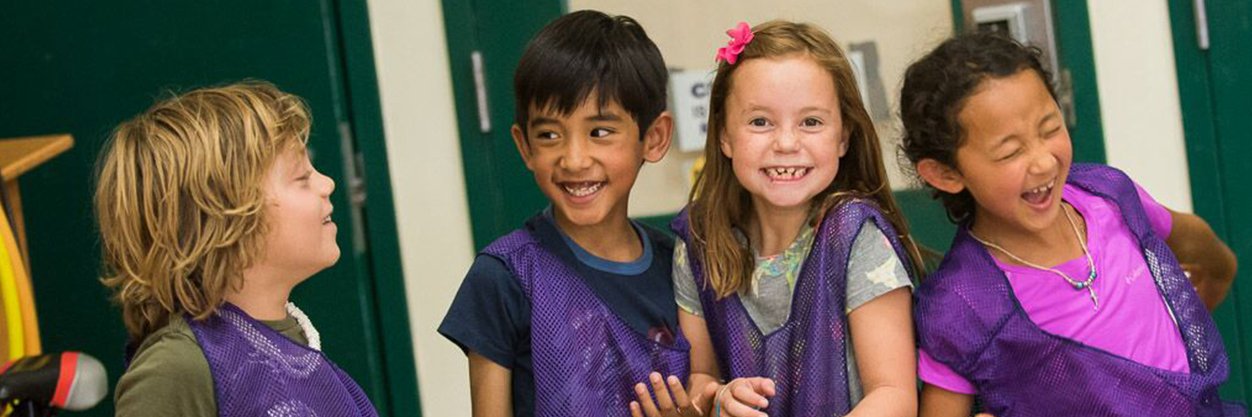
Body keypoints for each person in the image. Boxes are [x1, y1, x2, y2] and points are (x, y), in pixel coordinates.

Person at [900, 32, 1242, 417]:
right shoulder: (962, 304)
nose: (1044, 161)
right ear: (945, 173)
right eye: (1010, 151)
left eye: (1049, 129)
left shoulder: (1110, 199)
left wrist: (1211, 287)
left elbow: (1207, 253)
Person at [634, 20, 924, 417]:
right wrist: (719, 397)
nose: (786, 143)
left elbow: (894, 395)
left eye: (811, 122)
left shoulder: (857, 236)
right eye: (760, 122)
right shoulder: (700, 239)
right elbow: (700, 376)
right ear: (724, 136)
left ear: (843, 137)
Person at [437, 10, 687, 417]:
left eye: (599, 132)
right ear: (524, 147)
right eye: (549, 135)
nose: (573, 159)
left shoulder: (682, 269)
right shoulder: (504, 277)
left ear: (653, 138)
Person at [100, 81, 377, 416]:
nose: (327, 183)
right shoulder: (179, 367)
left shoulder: (294, 339)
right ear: (225, 217)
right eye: (302, 177)